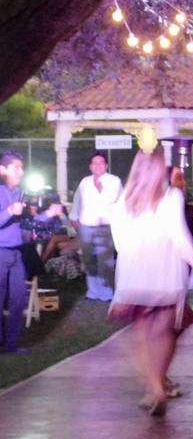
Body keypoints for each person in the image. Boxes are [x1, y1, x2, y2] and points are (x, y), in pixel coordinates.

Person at [108, 150, 193, 416]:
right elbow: (180, 237)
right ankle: (158, 385)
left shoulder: (123, 202)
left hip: (134, 277)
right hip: (166, 278)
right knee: (163, 333)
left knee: (141, 334)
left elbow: (118, 242)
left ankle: (154, 387)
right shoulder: (171, 197)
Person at [0, 151, 62, 354]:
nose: (21, 170)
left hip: (18, 253)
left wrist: (49, 214)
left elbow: (29, 224)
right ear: (3, 169)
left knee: (18, 299)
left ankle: (11, 344)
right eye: (16, 166)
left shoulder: (19, 193)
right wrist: (9, 212)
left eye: (22, 166)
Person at [70, 151, 123, 301]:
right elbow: (77, 201)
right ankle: (93, 291)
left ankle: (106, 292)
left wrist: (100, 190)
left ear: (106, 165)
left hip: (105, 226)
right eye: (94, 163)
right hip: (86, 226)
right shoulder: (85, 182)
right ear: (90, 166)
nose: (97, 165)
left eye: (101, 163)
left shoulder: (114, 181)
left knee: (105, 261)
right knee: (89, 259)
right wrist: (74, 218)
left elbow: (118, 202)